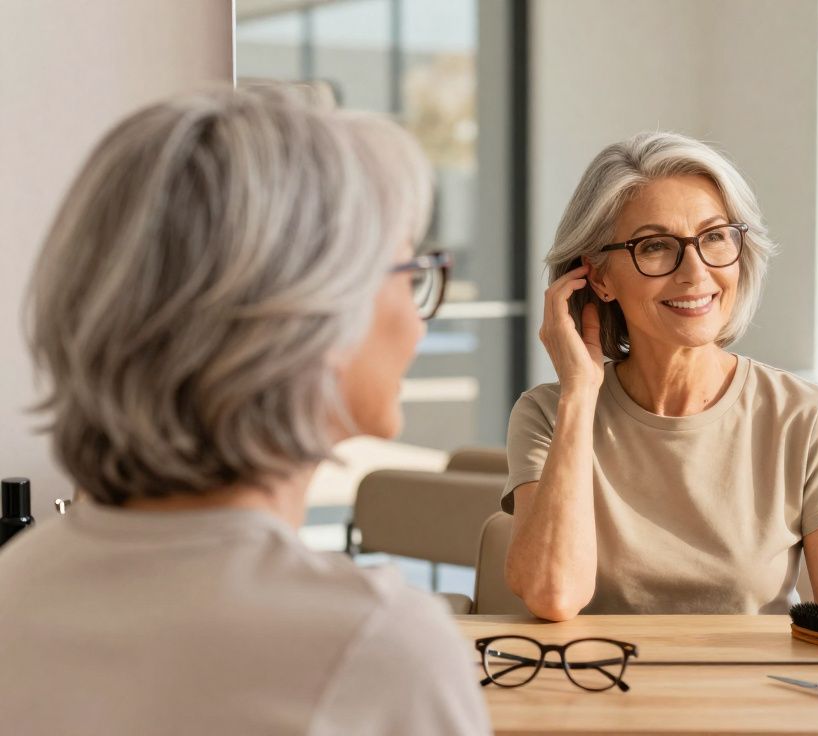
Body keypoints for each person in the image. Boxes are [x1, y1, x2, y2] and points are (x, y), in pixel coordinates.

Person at [0, 87, 490, 735]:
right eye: (412, 271)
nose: (418, 323)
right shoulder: (377, 648)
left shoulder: (18, 586)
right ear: (312, 317)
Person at [504, 132, 818, 620]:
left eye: (714, 237)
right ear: (598, 277)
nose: (695, 272)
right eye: (656, 246)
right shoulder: (546, 415)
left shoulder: (804, 417)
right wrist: (579, 395)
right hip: (596, 691)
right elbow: (552, 594)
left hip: (751, 696)